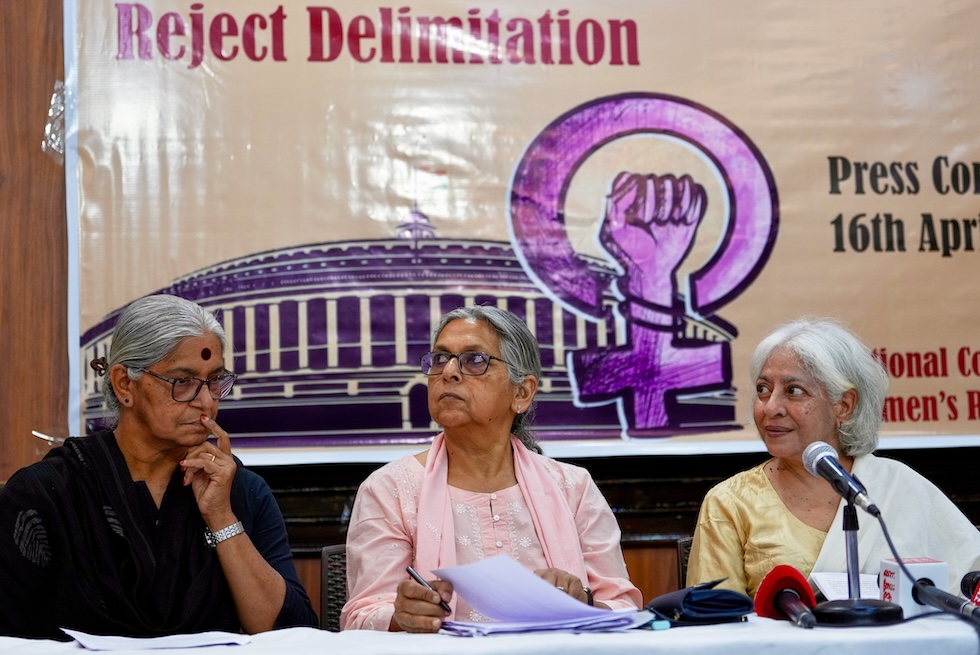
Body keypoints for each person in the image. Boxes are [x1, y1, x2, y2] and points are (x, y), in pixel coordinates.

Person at [0, 294, 317, 640]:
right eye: (183, 382)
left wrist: (222, 519)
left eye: (215, 381)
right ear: (125, 384)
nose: (206, 402)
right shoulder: (46, 495)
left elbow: (294, 636)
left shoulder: (240, 492)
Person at [340, 306, 642, 632]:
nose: (449, 372)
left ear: (521, 392)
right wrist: (401, 617)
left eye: (474, 360)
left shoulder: (573, 488)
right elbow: (360, 617)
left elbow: (624, 608)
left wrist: (583, 601)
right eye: (440, 359)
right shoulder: (391, 489)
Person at [687, 316, 980, 598]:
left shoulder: (898, 486)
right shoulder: (730, 501)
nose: (771, 407)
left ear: (844, 406)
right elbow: (713, 619)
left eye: (793, 391)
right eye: (763, 389)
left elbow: (971, 580)